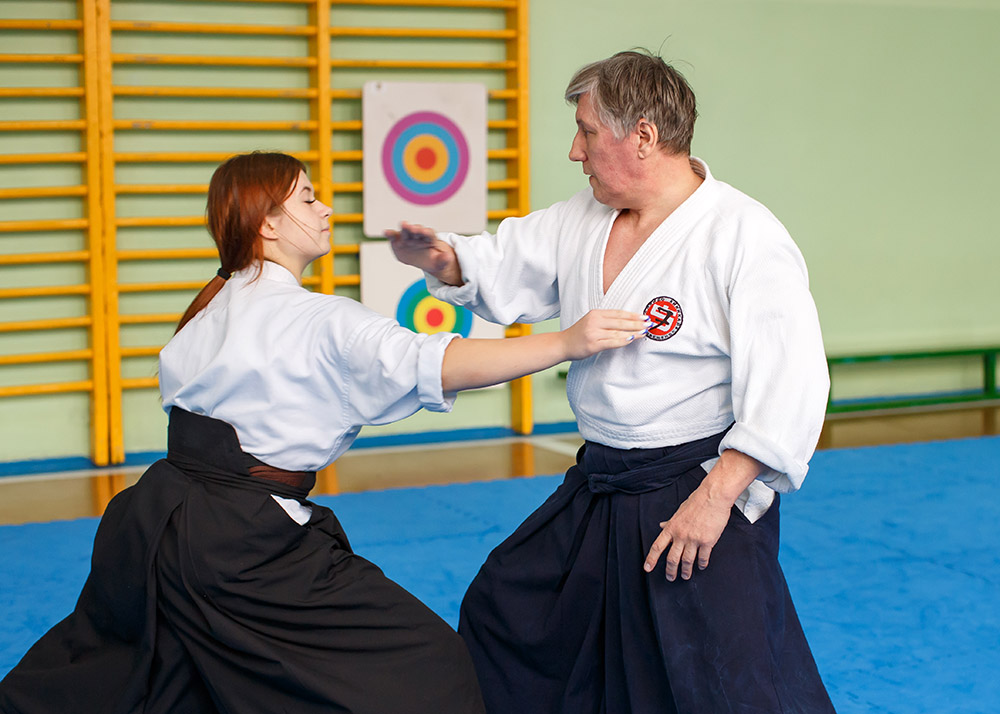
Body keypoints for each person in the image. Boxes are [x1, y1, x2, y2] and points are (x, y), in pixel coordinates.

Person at [0, 152, 646, 714]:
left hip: (153, 524)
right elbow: (441, 363)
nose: (326, 208)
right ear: (268, 224)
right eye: (308, 198)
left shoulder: (210, 309)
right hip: (241, 546)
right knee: (430, 666)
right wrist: (566, 342)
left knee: (169, 680)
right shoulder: (318, 320)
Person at [388, 50, 837, 713]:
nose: (576, 151)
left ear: (644, 136)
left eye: (587, 132)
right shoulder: (585, 217)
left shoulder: (743, 235)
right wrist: (445, 259)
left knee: (720, 685)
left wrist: (716, 498)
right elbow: (508, 260)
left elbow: (792, 379)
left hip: (695, 483)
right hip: (602, 480)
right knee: (508, 610)